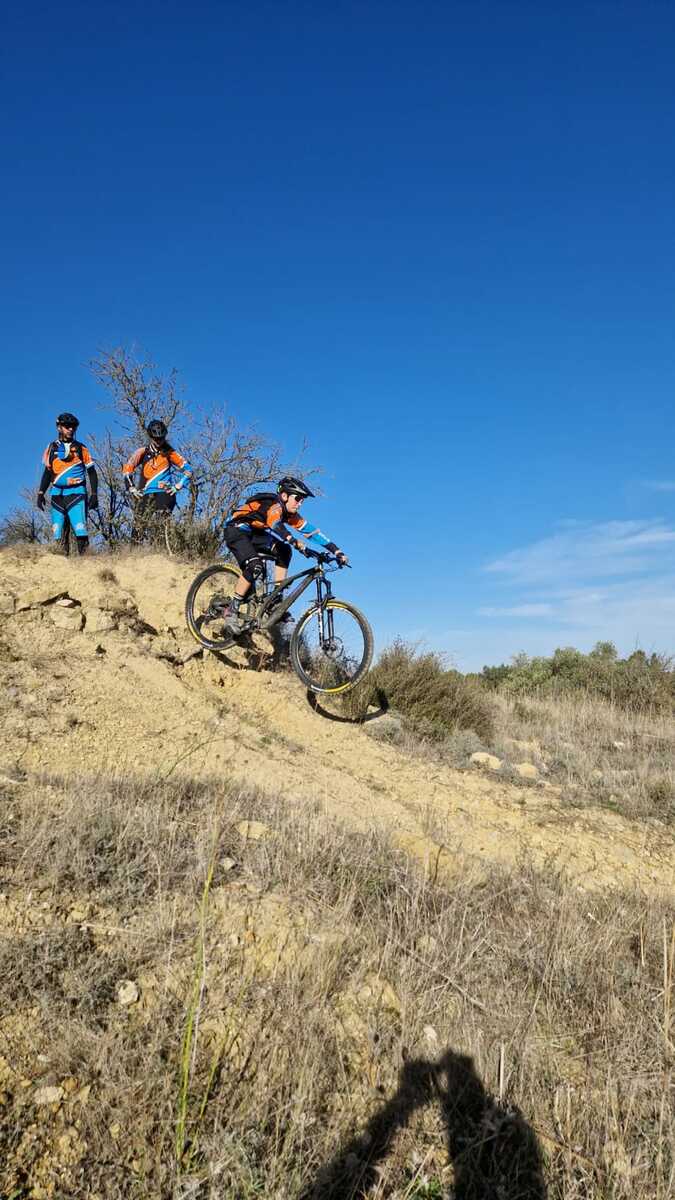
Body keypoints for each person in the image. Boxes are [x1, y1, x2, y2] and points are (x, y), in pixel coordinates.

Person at [221, 475, 348, 631]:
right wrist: (293, 540)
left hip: (256, 534)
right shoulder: (274, 505)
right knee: (255, 566)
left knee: (284, 550)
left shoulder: (290, 514)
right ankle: (231, 610)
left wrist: (337, 551)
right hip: (237, 530)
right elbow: (275, 524)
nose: (300, 504)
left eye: (302, 501)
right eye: (298, 499)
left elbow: (313, 532)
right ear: (284, 496)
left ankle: (275, 599)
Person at [37, 412, 98, 555]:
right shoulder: (51, 447)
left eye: (73, 427)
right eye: (67, 426)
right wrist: (40, 493)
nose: (71, 429)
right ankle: (62, 565)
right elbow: (47, 472)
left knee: (80, 530)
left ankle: (87, 562)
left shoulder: (81, 448)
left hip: (77, 494)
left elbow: (92, 472)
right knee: (58, 534)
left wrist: (94, 494)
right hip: (57, 495)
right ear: (59, 427)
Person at [122, 419, 192, 542]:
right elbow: (127, 468)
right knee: (138, 526)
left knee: (161, 524)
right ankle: (134, 552)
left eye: (161, 438)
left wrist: (177, 486)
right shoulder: (142, 452)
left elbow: (189, 470)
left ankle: (160, 550)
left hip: (164, 492)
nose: (159, 441)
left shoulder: (170, 452)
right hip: (145, 492)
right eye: (156, 438)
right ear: (151, 437)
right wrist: (131, 487)